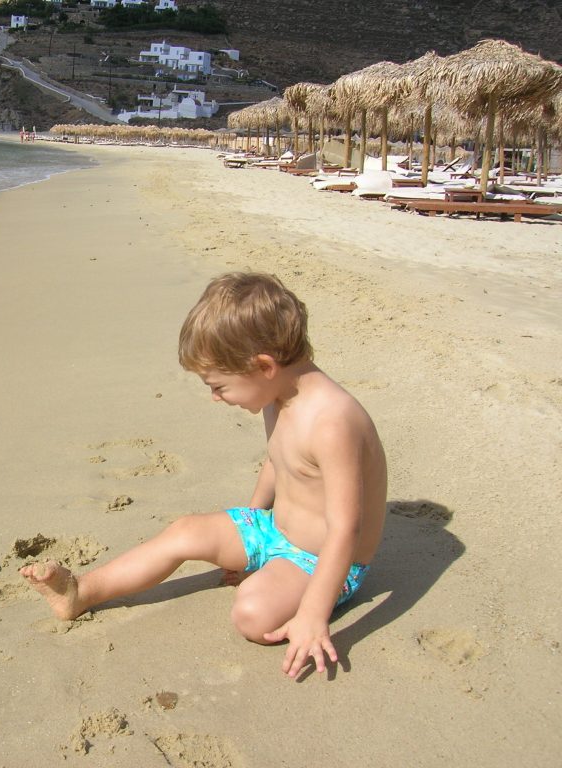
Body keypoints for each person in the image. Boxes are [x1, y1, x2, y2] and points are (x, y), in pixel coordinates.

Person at [21, 272, 387, 677]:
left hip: (322, 562)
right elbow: (278, 462)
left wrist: (314, 616)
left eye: (219, 386)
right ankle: (81, 592)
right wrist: (250, 530)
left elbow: (345, 530)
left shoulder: (332, 422)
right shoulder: (276, 393)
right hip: (273, 532)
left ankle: (298, 600)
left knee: (251, 612)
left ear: (263, 365)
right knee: (184, 532)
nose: (215, 398)